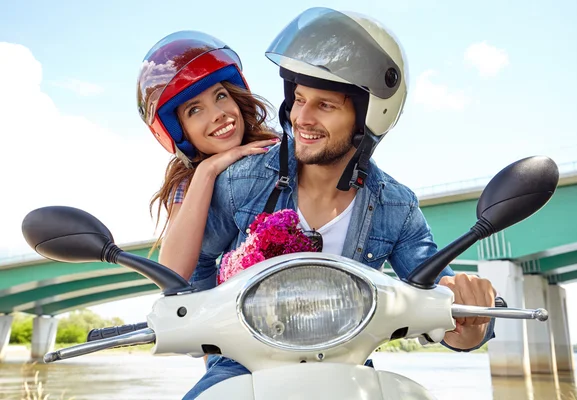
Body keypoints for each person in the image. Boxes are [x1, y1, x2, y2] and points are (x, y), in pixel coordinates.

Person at [180, 8, 497, 399]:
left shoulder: (395, 207)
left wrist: (468, 317)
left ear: (367, 118)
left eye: (325, 105)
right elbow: (193, 269)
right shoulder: (242, 179)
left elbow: (436, 295)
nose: (302, 118)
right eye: (298, 99)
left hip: (346, 369)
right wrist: (212, 334)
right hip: (239, 365)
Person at [135, 30, 280, 279]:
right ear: (180, 132)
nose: (218, 114)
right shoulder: (187, 181)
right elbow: (173, 271)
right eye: (194, 110)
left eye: (221, 96)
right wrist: (208, 170)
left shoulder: (278, 149)